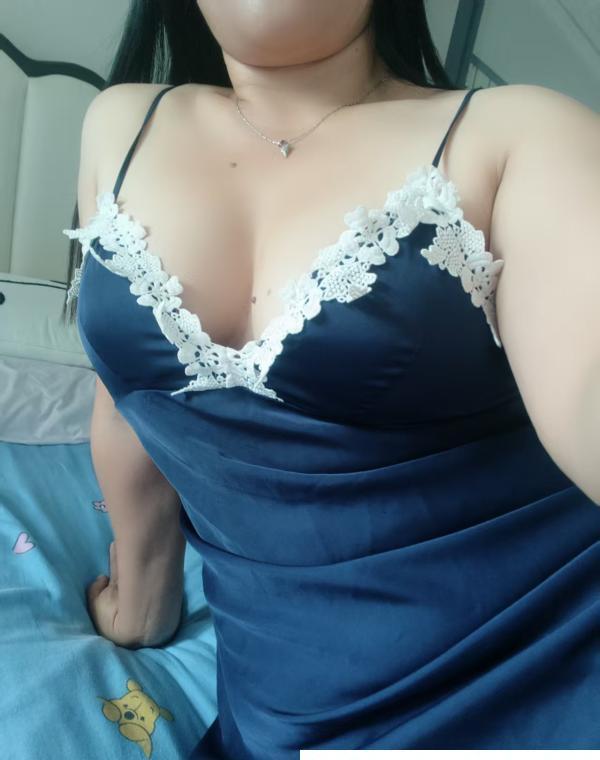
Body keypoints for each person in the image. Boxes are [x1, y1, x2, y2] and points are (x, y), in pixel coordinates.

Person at [61, 0, 600, 755]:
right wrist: (141, 601)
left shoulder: (521, 138)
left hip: (550, 671)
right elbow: (125, 398)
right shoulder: (121, 123)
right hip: (290, 716)